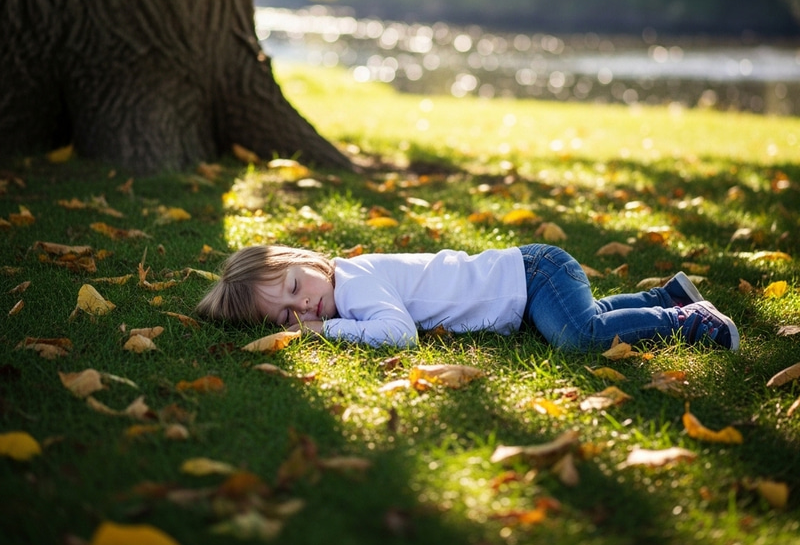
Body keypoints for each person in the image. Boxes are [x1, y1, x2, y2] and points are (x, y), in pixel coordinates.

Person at [195, 243, 739, 352]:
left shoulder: (353, 284)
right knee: (582, 317)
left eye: (296, 288)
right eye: (287, 316)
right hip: (528, 289)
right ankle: (663, 293)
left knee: (578, 336)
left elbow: (398, 335)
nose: (304, 310)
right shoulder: (347, 286)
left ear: (310, 262)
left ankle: (686, 319)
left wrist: (324, 333)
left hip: (532, 275)